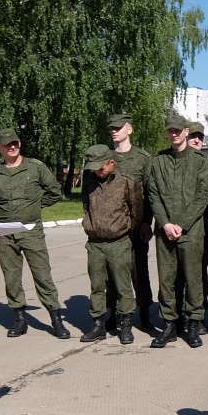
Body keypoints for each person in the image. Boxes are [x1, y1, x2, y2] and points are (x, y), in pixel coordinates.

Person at [0, 128, 70, 339]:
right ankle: (20, 319)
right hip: (4, 233)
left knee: (42, 275)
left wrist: (35, 207)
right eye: (7, 144)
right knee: (11, 278)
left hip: (31, 231)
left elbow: (54, 192)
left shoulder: (35, 167)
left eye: (15, 143)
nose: (12, 146)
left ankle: (56, 319)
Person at [147, 113, 208, 349]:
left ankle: (193, 324)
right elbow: (153, 195)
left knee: (193, 278)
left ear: (186, 132)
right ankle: (169, 324)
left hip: (191, 232)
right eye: (170, 130)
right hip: (165, 231)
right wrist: (166, 223)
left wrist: (183, 224)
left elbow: (203, 196)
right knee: (167, 279)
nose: (174, 134)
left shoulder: (200, 162)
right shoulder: (157, 162)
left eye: (178, 130)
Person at [78, 145, 144, 344]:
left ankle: (125, 325)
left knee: (123, 286)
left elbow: (136, 211)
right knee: (97, 286)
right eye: (95, 167)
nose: (98, 171)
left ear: (111, 162)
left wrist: (122, 229)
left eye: (102, 167)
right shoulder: (89, 181)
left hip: (119, 243)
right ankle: (98, 324)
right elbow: (85, 206)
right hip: (95, 243)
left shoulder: (126, 183)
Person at [107, 113, 155, 331]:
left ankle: (144, 313)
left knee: (139, 272)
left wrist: (147, 222)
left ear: (130, 130)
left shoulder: (143, 159)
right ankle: (115, 314)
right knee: (112, 272)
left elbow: (150, 193)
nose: (115, 131)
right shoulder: (105, 158)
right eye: (112, 128)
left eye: (119, 127)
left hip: (135, 226)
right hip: (111, 226)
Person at [189, 121, 208, 326]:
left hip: (201, 227)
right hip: (173, 228)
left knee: (197, 271)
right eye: (193, 137)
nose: (197, 140)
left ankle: (199, 313)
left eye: (200, 137)